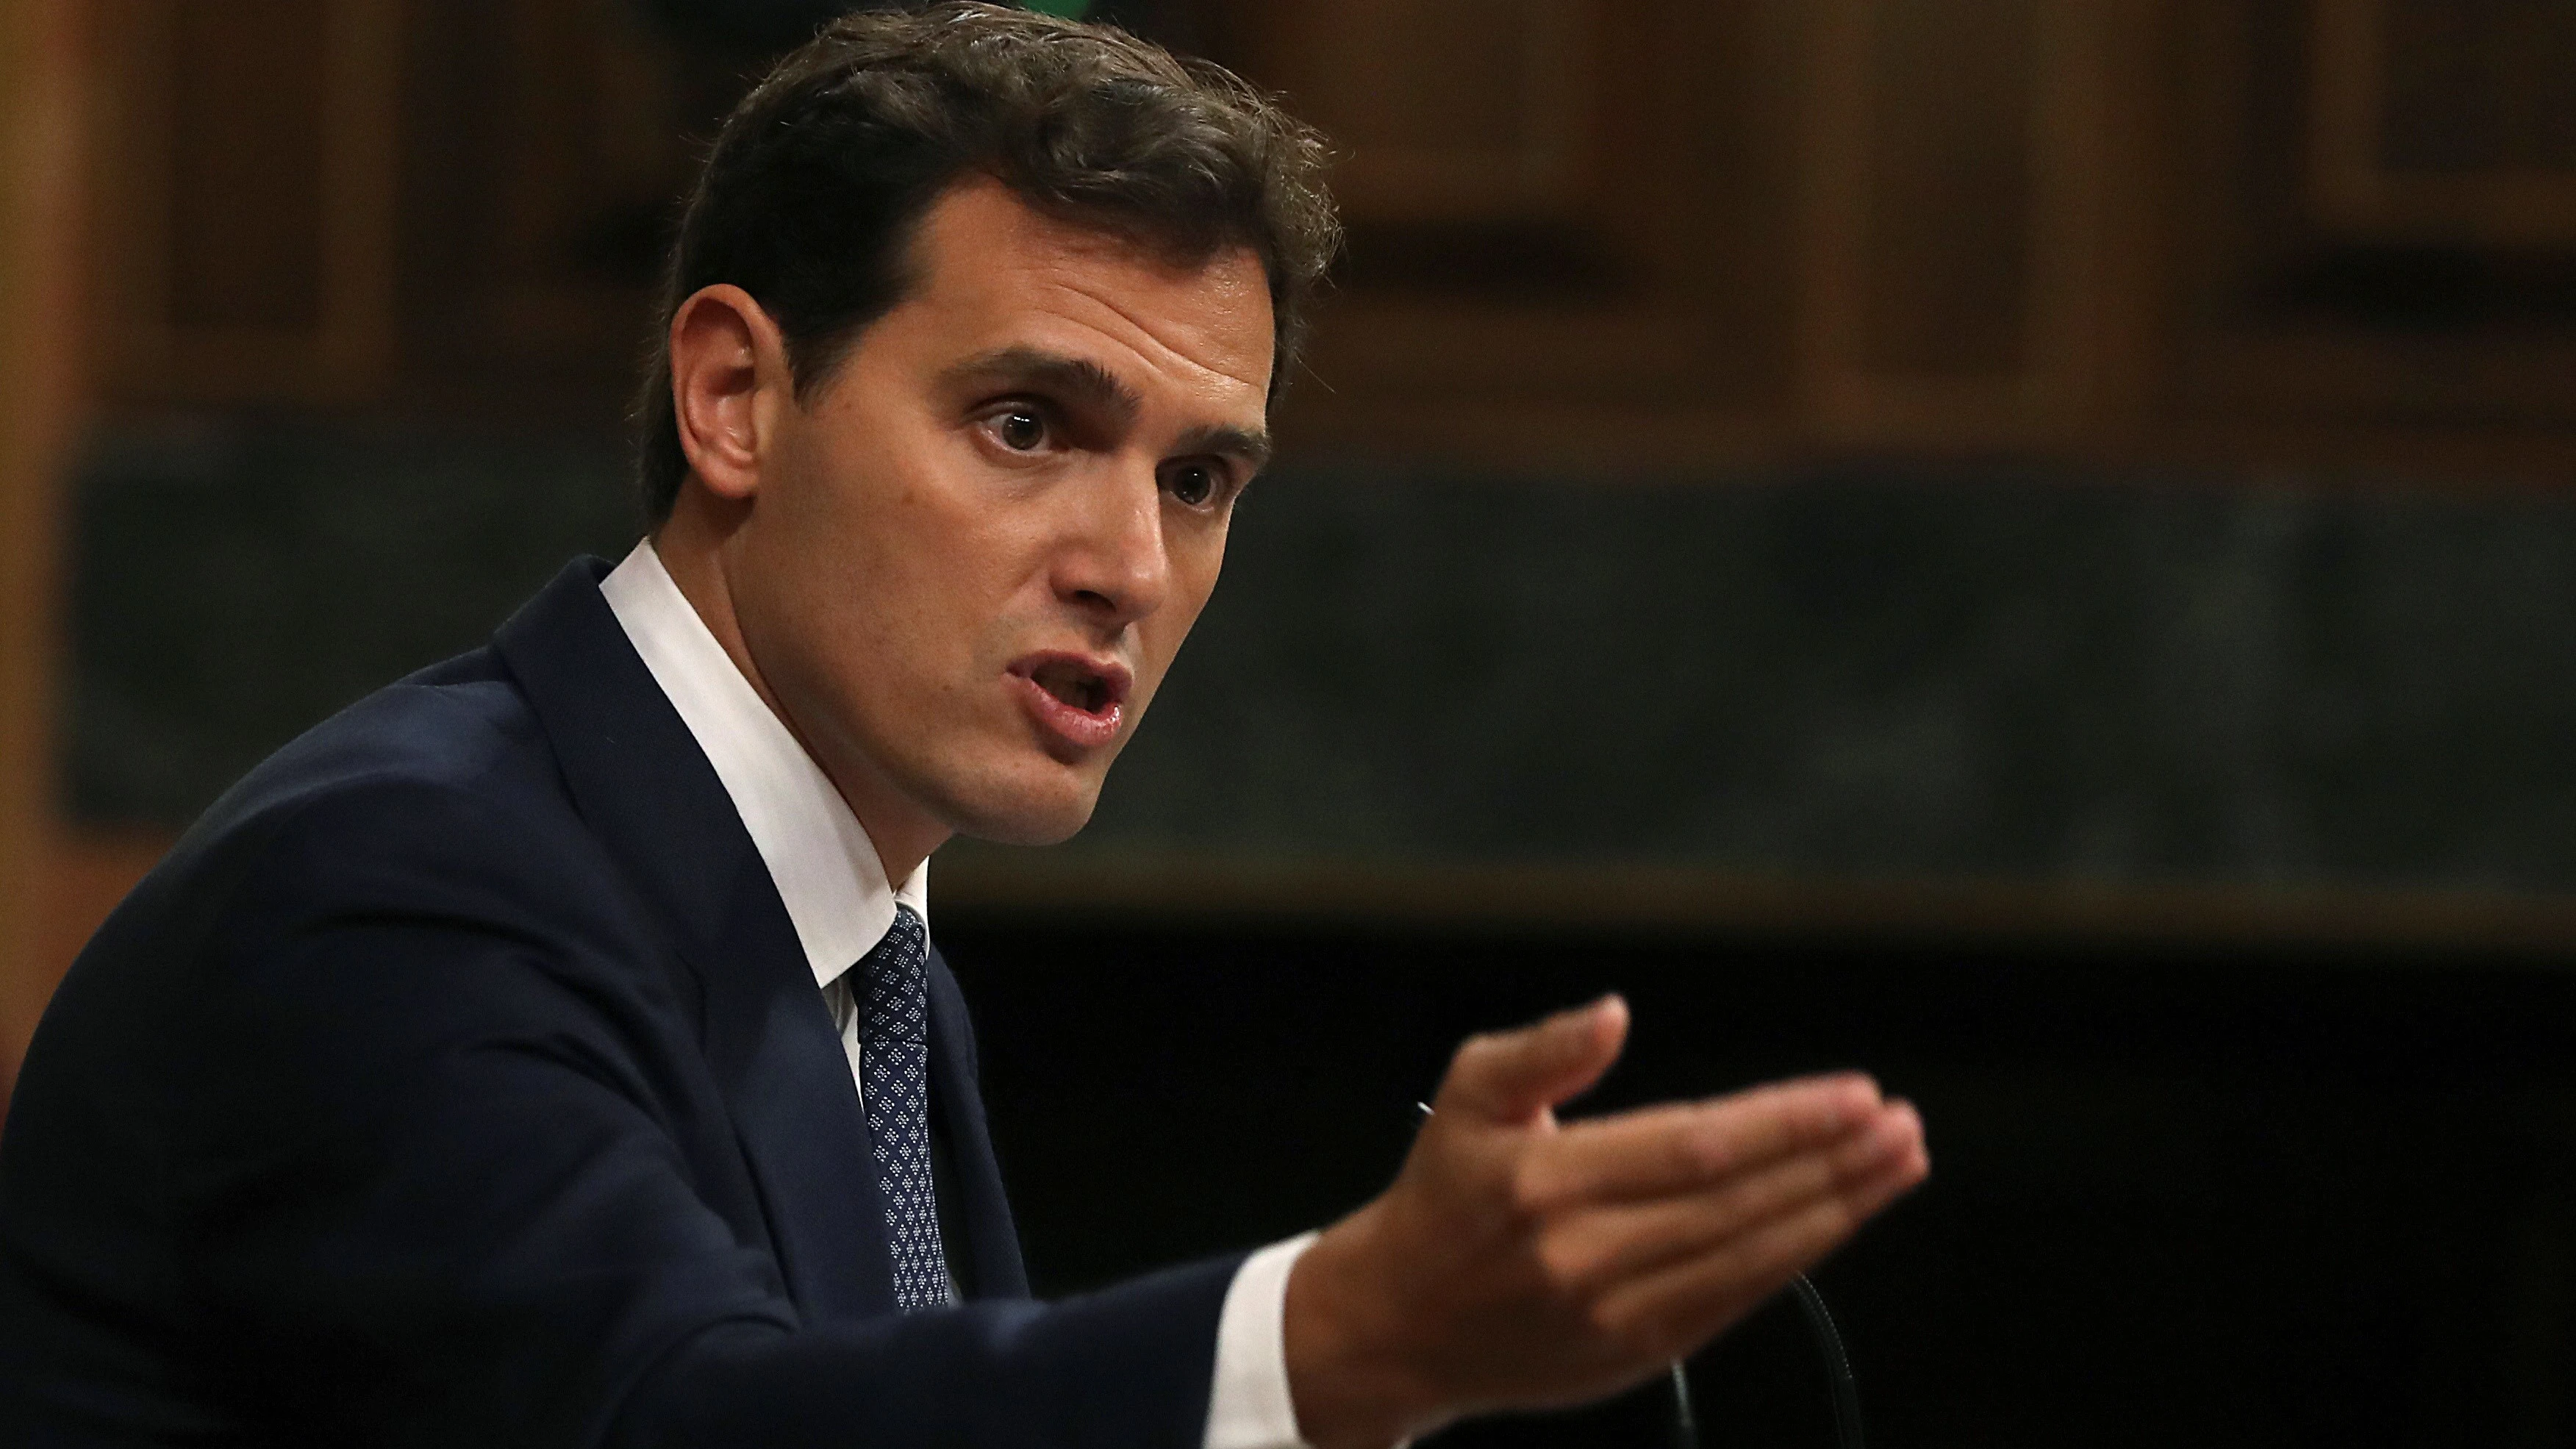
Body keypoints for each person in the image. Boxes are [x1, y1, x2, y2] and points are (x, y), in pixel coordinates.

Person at [0, 7, 1928, 1446]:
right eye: (1030, 428)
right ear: (737, 399)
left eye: (1200, 480)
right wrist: (1340, 1339)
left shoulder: (868, 949)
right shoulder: (403, 887)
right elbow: (684, 1426)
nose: (1131, 565)